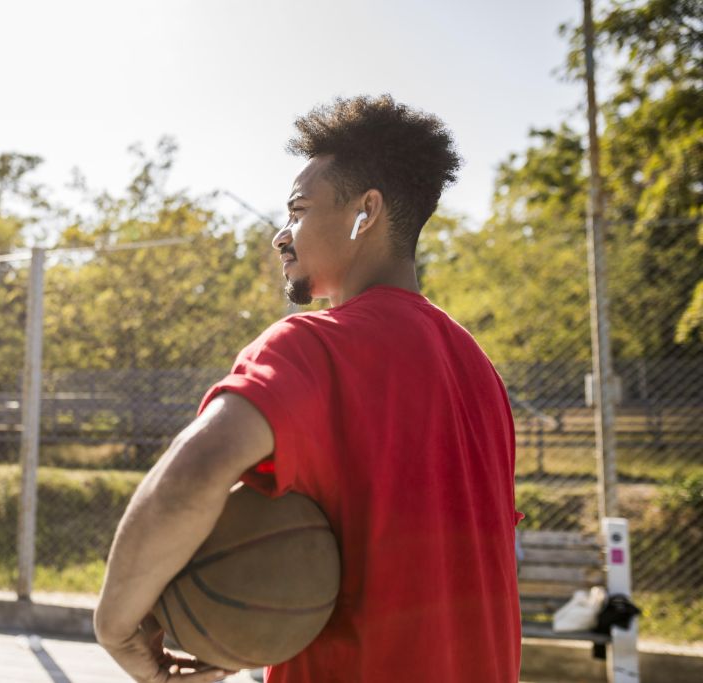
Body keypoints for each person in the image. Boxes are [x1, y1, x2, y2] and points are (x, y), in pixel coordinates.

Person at [94, 94, 522, 683]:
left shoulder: (311, 346)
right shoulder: (480, 374)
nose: (281, 234)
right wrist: (246, 623)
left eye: (297, 210)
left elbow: (195, 470)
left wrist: (116, 624)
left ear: (365, 212)